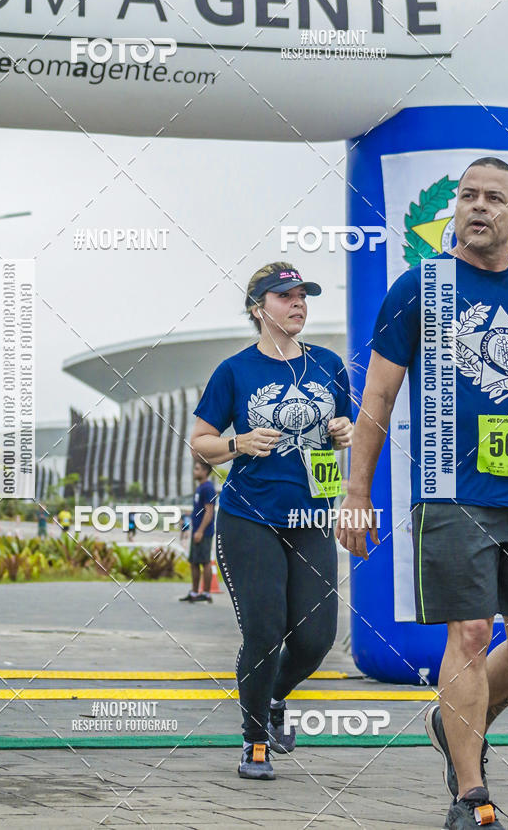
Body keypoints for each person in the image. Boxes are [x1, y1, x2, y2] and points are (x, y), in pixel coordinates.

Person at [338, 157, 508, 829]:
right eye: (466, 196)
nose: (477, 206)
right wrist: (355, 492)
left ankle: (455, 726)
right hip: (453, 492)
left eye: (493, 198)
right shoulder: (421, 287)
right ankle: (471, 796)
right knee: (471, 632)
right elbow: (377, 397)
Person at [191, 261, 353, 780]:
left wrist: (344, 430)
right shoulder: (234, 371)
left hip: (311, 517)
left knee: (315, 638)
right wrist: (237, 442)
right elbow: (200, 441)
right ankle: (255, 739)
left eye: (304, 295)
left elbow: (343, 424)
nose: (298, 303)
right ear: (259, 308)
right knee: (265, 632)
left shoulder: (329, 364)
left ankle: (273, 697)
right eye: (286, 296)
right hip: (249, 518)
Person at [179, 460, 216, 603]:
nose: (194, 471)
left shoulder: (208, 488)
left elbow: (209, 512)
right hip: (197, 530)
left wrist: (200, 531)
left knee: (205, 561)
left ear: (205, 471)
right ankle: (194, 593)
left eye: (197, 469)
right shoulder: (200, 488)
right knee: (194, 562)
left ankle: (206, 593)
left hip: (204, 532)